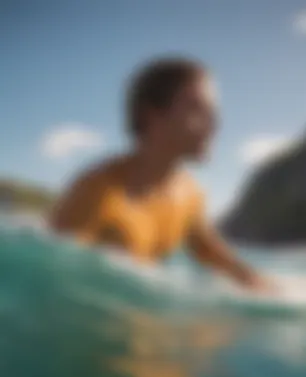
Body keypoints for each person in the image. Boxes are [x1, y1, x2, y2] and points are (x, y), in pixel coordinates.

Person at [49, 56, 273, 292]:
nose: (214, 124)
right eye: (198, 109)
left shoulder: (188, 194)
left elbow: (210, 252)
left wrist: (266, 288)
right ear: (152, 117)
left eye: (213, 112)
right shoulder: (95, 194)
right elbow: (51, 278)